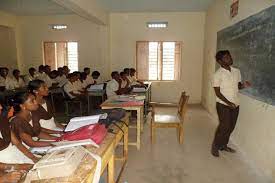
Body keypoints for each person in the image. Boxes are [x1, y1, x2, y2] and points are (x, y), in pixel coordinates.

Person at [211, 50, 251, 157]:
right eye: (226, 57)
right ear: (220, 61)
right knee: (224, 127)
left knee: (231, 127)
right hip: (223, 105)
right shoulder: (217, 75)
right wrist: (228, 103)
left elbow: (237, 86)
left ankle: (223, 145)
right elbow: (217, 93)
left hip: (235, 104)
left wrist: (244, 85)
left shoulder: (236, 71)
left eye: (229, 56)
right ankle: (215, 146)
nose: (230, 58)